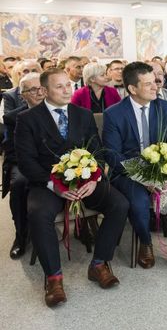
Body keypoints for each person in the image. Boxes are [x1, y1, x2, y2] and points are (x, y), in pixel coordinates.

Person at [15, 68, 129, 307]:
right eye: (59, 86)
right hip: (47, 183)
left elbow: (97, 151)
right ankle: (54, 278)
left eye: (68, 85)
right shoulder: (28, 119)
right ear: (44, 90)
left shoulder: (83, 114)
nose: (67, 90)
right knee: (38, 213)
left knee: (119, 204)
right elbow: (26, 161)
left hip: (85, 180)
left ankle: (99, 264)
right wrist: (53, 185)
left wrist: (94, 179)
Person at [102, 62, 167, 273]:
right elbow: (112, 154)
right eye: (148, 84)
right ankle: (145, 242)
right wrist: (144, 176)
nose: (155, 87)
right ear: (132, 88)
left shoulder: (163, 107)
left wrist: (166, 170)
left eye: (155, 82)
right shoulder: (114, 113)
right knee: (138, 200)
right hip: (129, 171)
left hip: (163, 166)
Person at [2, 73, 45, 259]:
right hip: (22, 162)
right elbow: (10, 150)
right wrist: (33, 165)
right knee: (19, 182)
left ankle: (81, 224)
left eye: (41, 88)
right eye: (33, 90)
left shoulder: (59, 110)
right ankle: (21, 235)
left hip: (52, 161)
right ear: (22, 95)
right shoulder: (13, 117)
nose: (39, 93)